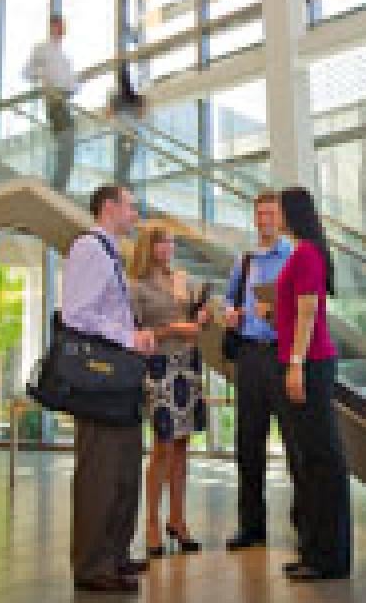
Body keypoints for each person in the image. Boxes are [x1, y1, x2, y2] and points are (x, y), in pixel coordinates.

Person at [62, 185, 158, 594]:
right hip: (99, 377)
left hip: (117, 377)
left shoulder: (110, 252)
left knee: (122, 469)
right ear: (109, 207)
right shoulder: (88, 248)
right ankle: (92, 563)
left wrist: (133, 334)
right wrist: (127, 336)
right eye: (131, 206)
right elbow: (76, 314)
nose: (135, 214)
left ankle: (115, 553)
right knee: (101, 470)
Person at [269, 187, 351, 581]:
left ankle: (327, 557)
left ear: (292, 213)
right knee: (314, 460)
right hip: (308, 360)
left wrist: (296, 364)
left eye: (280, 209)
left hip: (311, 363)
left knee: (321, 460)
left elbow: (308, 312)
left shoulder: (305, 253)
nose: (276, 215)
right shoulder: (304, 251)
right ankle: (316, 551)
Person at [128, 223, 210, 558]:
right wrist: (170, 328)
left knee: (182, 445)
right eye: (163, 243)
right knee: (161, 446)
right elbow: (133, 333)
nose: (169, 248)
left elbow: (192, 321)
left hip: (187, 364)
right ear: (149, 246)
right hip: (159, 367)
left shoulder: (180, 280)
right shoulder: (135, 286)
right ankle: (151, 524)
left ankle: (177, 519)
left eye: (172, 242)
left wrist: (200, 317)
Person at [223, 191, 295, 552]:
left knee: (294, 442)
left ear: (281, 219)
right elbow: (229, 300)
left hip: (282, 355)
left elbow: (305, 308)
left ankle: (304, 525)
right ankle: (251, 526)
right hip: (250, 356)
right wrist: (230, 314)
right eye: (260, 214)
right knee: (248, 443)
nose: (264, 219)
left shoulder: (293, 257)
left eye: (270, 213)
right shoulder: (245, 261)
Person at [22, 14, 78, 192]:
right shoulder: (42, 49)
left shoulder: (65, 56)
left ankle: (58, 188)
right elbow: (26, 72)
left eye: (64, 26)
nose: (63, 29)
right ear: (52, 27)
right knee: (66, 143)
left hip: (65, 99)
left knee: (66, 145)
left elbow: (72, 83)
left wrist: (72, 87)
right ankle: (57, 190)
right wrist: (44, 77)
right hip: (54, 99)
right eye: (61, 26)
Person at [108, 67, 146, 188]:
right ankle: (122, 189)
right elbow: (141, 116)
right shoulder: (136, 97)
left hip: (124, 134)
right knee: (125, 165)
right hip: (131, 134)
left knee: (122, 166)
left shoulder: (117, 97)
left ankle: (121, 189)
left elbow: (109, 114)